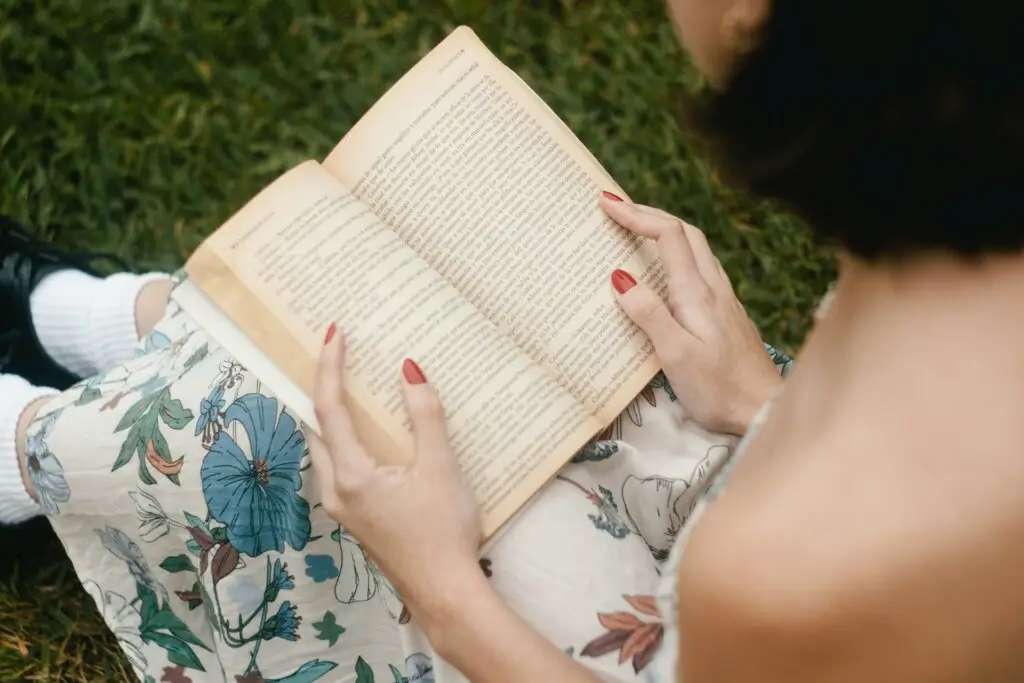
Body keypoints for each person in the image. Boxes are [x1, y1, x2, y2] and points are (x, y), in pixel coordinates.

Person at [307, 1, 1024, 683]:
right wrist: (757, 402)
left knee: (276, 431)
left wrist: (443, 594)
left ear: (758, 21)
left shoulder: (777, 573)